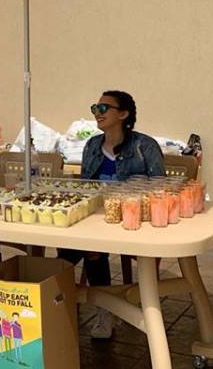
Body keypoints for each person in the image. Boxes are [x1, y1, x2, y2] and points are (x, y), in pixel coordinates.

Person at [58, 90, 164, 340]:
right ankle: (69, 303)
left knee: (91, 249)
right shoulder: (92, 145)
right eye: (95, 108)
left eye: (104, 108)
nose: (97, 113)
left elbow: (159, 188)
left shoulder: (144, 146)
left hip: (132, 217)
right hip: (96, 216)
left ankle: (102, 308)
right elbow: (86, 187)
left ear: (123, 114)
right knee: (68, 249)